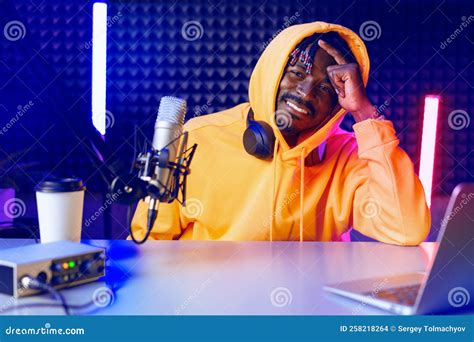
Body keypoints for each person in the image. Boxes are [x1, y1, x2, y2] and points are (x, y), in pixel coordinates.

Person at [129, 21, 431, 245]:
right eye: (297, 73)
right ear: (273, 71)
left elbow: (407, 228)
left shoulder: (351, 156)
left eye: (326, 88)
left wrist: (364, 113)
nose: (305, 93)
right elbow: (151, 241)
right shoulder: (198, 137)